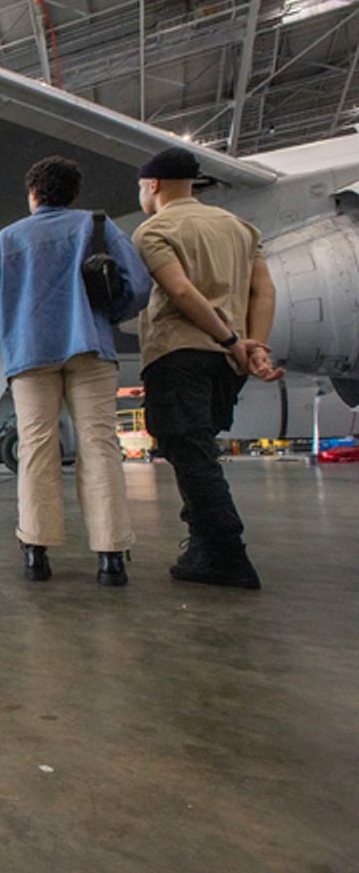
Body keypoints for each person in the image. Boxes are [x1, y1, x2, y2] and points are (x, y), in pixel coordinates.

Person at [0, 156, 150, 585]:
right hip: (91, 346)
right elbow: (138, 286)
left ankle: (37, 552)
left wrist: (20, 319)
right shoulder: (98, 227)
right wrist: (106, 313)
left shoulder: (9, 237)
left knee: (35, 446)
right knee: (99, 444)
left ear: (33, 193)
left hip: (31, 355)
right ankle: (111, 557)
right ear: (73, 193)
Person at [132, 146, 284, 590]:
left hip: (181, 353)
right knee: (197, 450)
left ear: (152, 185)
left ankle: (225, 551)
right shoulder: (240, 227)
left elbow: (179, 292)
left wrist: (231, 339)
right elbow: (264, 291)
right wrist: (254, 346)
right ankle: (202, 544)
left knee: (191, 454)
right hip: (228, 363)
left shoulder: (154, 229)